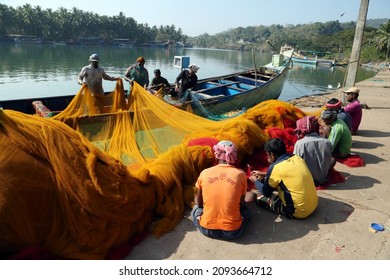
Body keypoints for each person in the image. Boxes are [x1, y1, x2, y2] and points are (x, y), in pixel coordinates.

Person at [191, 140, 251, 240]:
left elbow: (200, 203)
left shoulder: (204, 173)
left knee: (196, 206)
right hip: (233, 231)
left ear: (216, 155)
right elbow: (241, 204)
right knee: (249, 202)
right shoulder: (240, 175)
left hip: (207, 229)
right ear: (234, 157)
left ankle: (204, 218)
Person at [249, 138, 318, 219]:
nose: (267, 157)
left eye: (267, 155)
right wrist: (265, 174)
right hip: (314, 204)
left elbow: (266, 192)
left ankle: (287, 210)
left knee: (258, 197)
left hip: (299, 212)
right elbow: (289, 173)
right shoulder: (297, 158)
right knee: (274, 183)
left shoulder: (275, 168)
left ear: (272, 155)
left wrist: (255, 181)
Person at [293, 116, 333, 185]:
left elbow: (295, 164)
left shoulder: (300, 144)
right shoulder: (327, 142)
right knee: (333, 159)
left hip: (308, 181)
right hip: (323, 178)